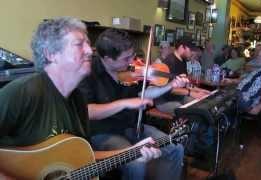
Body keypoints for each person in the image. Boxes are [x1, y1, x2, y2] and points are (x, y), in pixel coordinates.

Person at [0, 17, 161, 179]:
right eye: (79, 44)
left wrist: (132, 152)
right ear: (51, 54)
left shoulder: (77, 100)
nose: (90, 51)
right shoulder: (23, 92)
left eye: (87, 43)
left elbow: (83, 157)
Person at [78, 28, 188, 180]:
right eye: (126, 58)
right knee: (136, 163)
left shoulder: (130, 72)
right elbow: (88, 111)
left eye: (132, 55)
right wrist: (124, 103)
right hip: (105, 132)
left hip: (132, 125)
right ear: (108, 58)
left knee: (176, 149)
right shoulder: (87, 73)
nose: (131, 62)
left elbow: (143, 95)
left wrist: (170, 85)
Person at [156, 37, 210, 115]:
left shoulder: (183, 61)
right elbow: (169, 89)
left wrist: (199, 90)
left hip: (179, 96)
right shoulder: (169, 62)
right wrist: (191, 93)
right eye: (190, 49)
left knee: (200, 104)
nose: (192, 52)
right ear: (182, 47)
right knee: (185, 111)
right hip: (164, 100)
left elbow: (186, 83)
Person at [223, 47, 261, 115]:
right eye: (258, 55)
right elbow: (245, 80)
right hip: (238, 94)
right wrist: (231, 81)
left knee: (220, 102)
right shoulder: (258, 70)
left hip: (246, 100)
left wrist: (258, 108)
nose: (259, 57)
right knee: (220, 97)